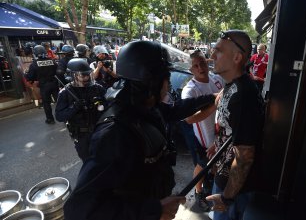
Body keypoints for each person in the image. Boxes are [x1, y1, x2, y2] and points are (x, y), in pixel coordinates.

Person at [63, 41, 217, 220]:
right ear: (150, 81)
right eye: (165, 76)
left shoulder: (145, 106)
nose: (168, 82)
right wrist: (153, 210)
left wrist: (211, 97)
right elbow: (78, 210)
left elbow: (176, 109)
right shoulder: (115, 132)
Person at [205, 30, 265, 220]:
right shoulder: (233, 85)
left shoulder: (243, 96)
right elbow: (232, 128)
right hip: (226, 179)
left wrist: (227, 198)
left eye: (218, 51)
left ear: (237, 57)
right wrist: (218, 145)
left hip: (233, 188)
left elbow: (245, 156)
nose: (212, 55)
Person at [181, 50, 224, 211]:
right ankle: (198, 194)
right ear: (191, 69)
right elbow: (189, 119)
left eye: (202, 63)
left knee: (213, 164)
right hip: (202, 135)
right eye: (195, 66)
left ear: (207, 63)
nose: (200, 68)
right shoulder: (190, 90)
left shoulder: (217, 79)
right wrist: (215, 102)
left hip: (219, 131)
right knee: (202, 164)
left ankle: (207, 187)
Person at [55, 58, 106, 161]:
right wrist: (74, 107)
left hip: (99, 131)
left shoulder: (97, 88)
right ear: (72, 75)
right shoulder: (65, 93)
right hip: (82, 135)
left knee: (103, 158)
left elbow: (110, 105)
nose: (86, 78)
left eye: (87, 74)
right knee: (88, 162)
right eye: (82, 75)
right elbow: (59, 116)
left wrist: (102, 102)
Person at [24, 45, 59, 124]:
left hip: (44, 86)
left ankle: (50, 119)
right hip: (54, 83)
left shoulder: (34, 64)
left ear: (35, 53)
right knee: (59, 101)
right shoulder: (52, 61)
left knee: (46, 103)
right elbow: (58, 70)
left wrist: (26, 74)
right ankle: (64, 117)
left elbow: (30, 77)